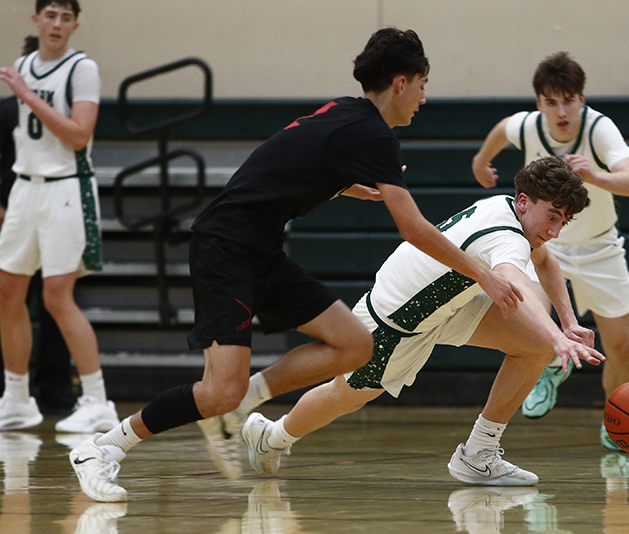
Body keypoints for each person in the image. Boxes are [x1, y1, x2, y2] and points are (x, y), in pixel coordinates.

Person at [69, 27, 523, 503]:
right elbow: (413, 228)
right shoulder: (371, 132)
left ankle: (244, 402)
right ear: (401, 82)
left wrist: (347, 185)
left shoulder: (347, 113)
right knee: (218, 391)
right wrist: (484, 274)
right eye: (423, 85)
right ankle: (103, 449)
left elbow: (288, 161)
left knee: (354, 345)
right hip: (226, 247)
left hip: (260, 248)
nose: (424, 99)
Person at [239, 157, 604, 486]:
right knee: (344, 397)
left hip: (441, 304)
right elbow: (518, 283)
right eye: (552, 217)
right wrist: (559, 339)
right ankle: (272, 437)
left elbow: (544, 261)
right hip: (395, 322)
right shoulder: (506, 238)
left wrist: (568, 322)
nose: (555, 230)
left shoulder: (506, 208)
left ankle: (478, 455)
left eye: (563, 221)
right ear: (525, 201)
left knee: (534, 345)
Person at [471, 51, 629, 449]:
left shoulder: (599, 129)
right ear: (540, 104)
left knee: (620, 346)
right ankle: (551, 366)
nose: (561, 110)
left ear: (581, 100)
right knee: (531, 318)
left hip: (601, 248)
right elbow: (502, 129)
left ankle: (617, 421)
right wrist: (482, 162)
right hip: (547, 246)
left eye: (568, 100)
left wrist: (594, 175)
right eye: (551, 102)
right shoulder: (528, 126)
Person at [0, 0, 118, 432]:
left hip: (66, 188)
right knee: (7, 293)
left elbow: (78, 134)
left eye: (65, 18)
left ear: (74, 26)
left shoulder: (81, 68)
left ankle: (96, 400)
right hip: (24, 187)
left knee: (56, 297)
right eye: (50, 15)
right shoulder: (23, 63)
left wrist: (27, 95)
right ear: (36, 20)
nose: (56, 24)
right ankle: (16, 399)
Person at [0, 36, 75, 417]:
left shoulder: (65, 107)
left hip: (55, 210)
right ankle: (13, 391)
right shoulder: (5, 110)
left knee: (55, 302)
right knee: (9, 300)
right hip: (15, 210)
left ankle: (56, 386)